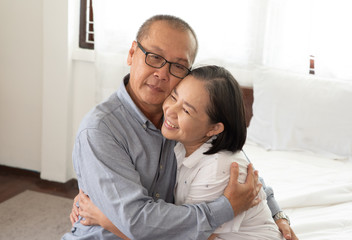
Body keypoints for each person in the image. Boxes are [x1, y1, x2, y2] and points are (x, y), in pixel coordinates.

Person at [62, 14, 297, 240]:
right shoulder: (100, 131)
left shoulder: (190, 120)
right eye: (154, 56)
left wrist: (277, 214)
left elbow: (240, 167)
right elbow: (138, 223)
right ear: (132, 53)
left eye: (177, 66)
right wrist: (226, 207)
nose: (162, 73)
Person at [74, 65, 286, 240]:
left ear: (214, 128)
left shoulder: (218, 168)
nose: (170, 110)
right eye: (174, 97)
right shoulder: (180, 141)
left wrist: (105, 218)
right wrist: (101, 191)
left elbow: (176, 236)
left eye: (186, 110)